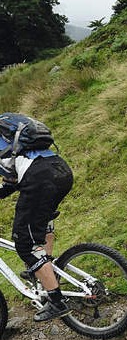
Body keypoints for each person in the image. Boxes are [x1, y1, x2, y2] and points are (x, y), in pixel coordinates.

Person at [0, 121, 74, 321]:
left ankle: (56, 302)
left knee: (25, 244)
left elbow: (10, 179)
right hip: (60, 169)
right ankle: (46, 270)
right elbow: (13, 178)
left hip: (40, 178)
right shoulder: (9, 131)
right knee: (42, 220)